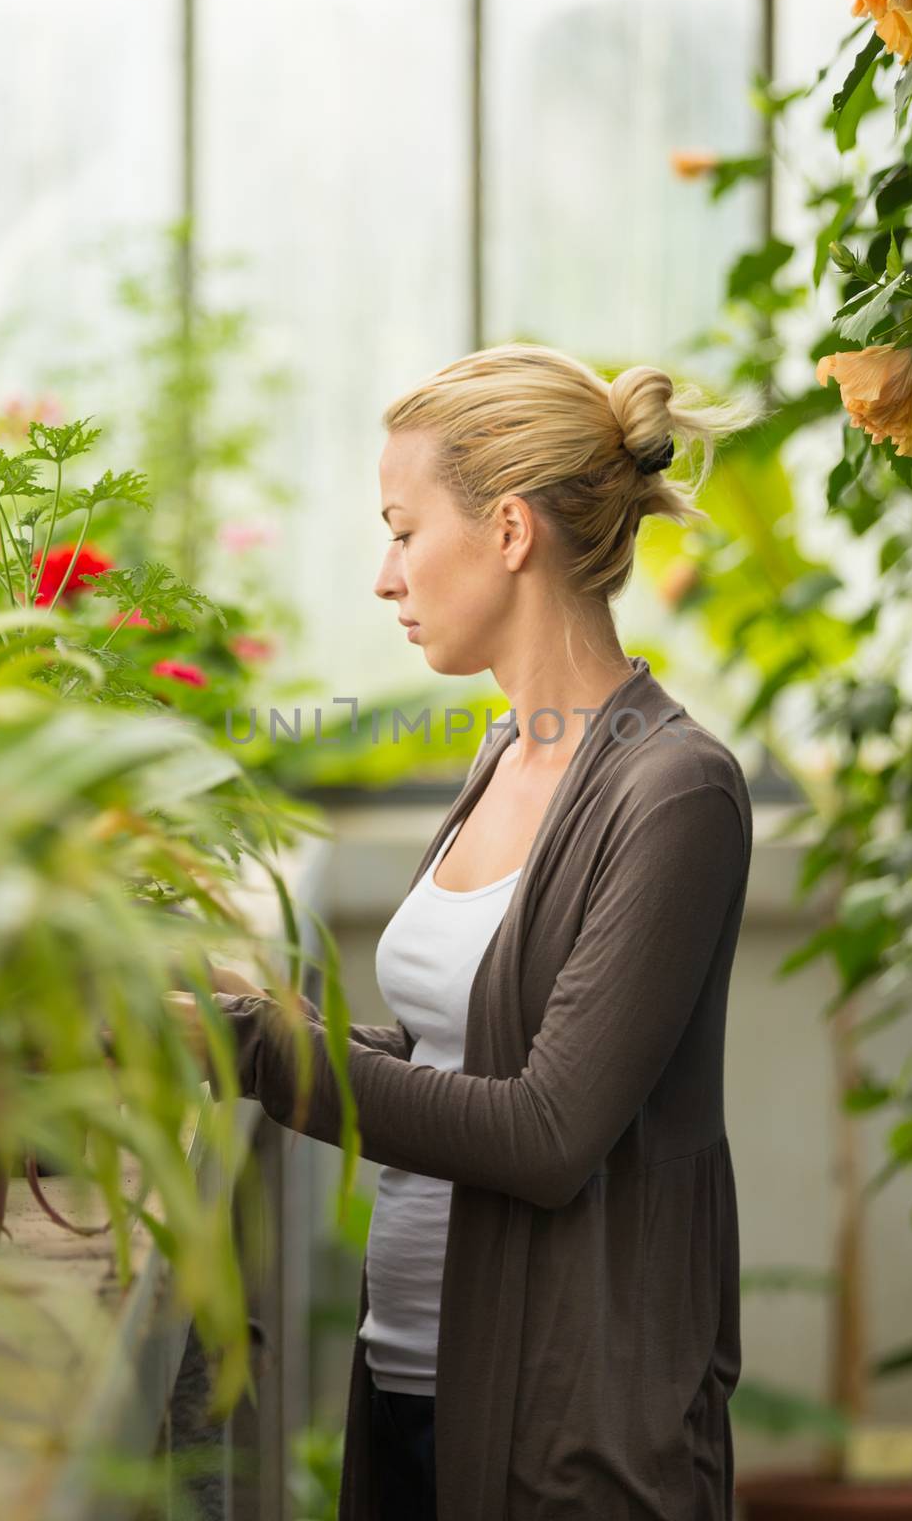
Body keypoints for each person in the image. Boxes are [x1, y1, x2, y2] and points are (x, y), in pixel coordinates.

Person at [178, 342, 760, 1519]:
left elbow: (547, 1129)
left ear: (506, 531)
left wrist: (257, 1051)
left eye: (402, 529)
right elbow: (471, 1056)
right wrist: (278, 1016)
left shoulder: (674, 793)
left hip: (566, 1436)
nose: (385, 576)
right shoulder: (508, 748)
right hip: (408, 1384)